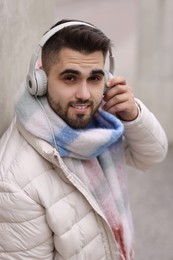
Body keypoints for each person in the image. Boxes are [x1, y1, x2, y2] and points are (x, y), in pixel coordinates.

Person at [0, 19, 168, 260]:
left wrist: (134, 116)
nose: (84, 95)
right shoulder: (15, 183)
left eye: (95, 78)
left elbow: (152, 156)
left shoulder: (102, 122)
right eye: (70, 78)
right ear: (40, 81)